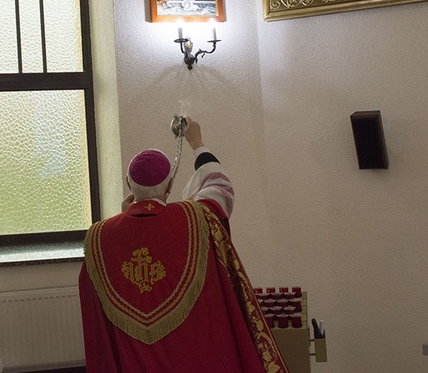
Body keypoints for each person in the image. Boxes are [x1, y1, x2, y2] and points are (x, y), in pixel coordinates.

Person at [79, 117, 288, 372]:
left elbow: (97, 325)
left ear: (127, 184)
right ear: (169, 185)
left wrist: (124, 216)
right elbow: (219, 186)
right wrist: (197, 143)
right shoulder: (198, 219)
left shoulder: (99, 238)